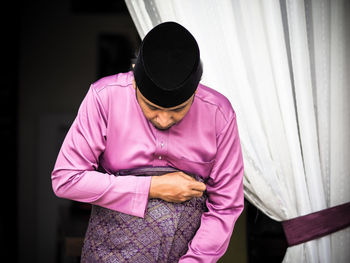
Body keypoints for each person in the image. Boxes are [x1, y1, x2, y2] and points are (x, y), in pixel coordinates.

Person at [51, 21, 244, 262]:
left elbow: (226, 206)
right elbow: (66, 179)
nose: (163, 119)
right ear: (134, 83)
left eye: (177, 110)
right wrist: (152, 187)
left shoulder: (219, 114)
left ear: (195, 92)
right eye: (152, 107)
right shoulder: (104, 97)